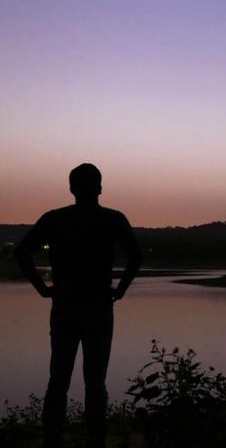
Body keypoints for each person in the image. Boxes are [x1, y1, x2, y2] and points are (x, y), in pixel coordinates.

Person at [14, 163, 143, 448]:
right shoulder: (113, 219)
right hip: (98, 306)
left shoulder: (55, 219)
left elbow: (21, 252)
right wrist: (119, 290)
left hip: (65, 307)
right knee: (95, 382)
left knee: (58, 380)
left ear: (71, 188)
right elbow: (136, 256)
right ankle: (95, 440)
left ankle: (52, 440)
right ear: (99, 187)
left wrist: (41, 289)